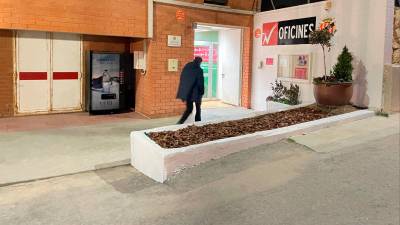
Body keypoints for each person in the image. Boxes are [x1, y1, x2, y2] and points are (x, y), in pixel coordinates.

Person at [176, 57, 205, 124]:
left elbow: (182, 78)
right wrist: (202, 91)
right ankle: (198, 123)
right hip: (197, 93)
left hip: (188, 92)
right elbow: (200, 82)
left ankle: (180, 122)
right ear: (199, 62)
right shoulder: (199, 70)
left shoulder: (187, 67)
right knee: (198, 108)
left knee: (189, 109)